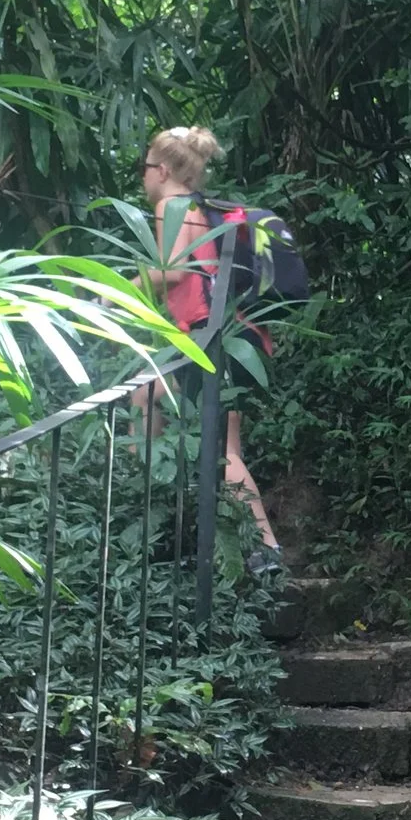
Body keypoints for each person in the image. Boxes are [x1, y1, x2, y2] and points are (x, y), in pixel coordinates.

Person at [139, 125, 283, 578]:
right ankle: (165, 521)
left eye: (145, 167)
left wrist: (121, 287)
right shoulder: (202, 207)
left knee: (222, 447)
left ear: (163, 171)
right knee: (147, 396)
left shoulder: (171, 206)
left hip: (209, 336)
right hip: (230, 334)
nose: (143, 177)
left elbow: (174, 271)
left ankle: (266, 548)